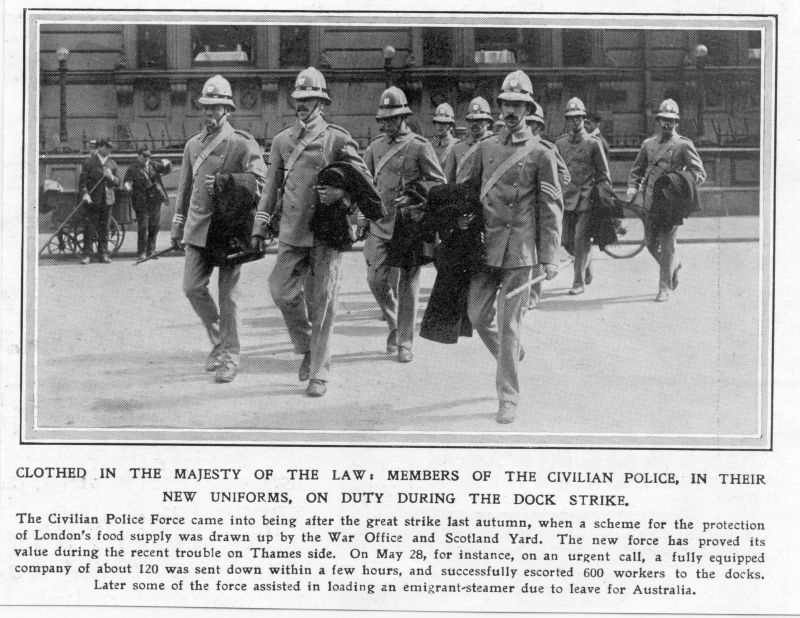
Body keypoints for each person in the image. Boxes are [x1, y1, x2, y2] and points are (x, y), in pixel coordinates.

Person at [251, 67, 373, 398]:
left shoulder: (337, 138)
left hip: (325, 233)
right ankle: (306, 346)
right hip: (291, 231)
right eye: (299, 100)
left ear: (321, 102)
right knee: (281, 291)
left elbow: (363, 183)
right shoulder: (281, 141)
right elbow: (270, 188)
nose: (302, 105)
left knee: (323, 302)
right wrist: (260, 226)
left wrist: (343, 197)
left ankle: (319, 371)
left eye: (309, 100)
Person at [460, 70, 563, 424]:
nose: (509, 110)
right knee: (476, 315)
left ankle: (508, 396)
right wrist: (459, 224)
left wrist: (549, 258)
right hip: (487, 248)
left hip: (520, 252)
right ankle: (512, 354)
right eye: (505, 103)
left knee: (509, 325)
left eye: (517, 105)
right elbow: (466, 193)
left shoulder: (541, 153)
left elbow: (551, 209)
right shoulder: (485, 148)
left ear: (527, 108)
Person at [170, 74, 267, 383]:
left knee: (229, 298)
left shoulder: (241, 142)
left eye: (216, 108)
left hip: (229, 231)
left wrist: (227, 183)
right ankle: (219, 342)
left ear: (228, 110)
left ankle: (231, 356)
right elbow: (184, 188)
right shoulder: (192, 145)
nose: (209, 113)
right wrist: (177, 224)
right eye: (206, 107)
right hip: (199, 228)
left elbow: (262, 181)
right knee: (192, 288)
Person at [363, 86, 446, 363]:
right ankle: (394, 322)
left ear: (402, 117)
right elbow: (364, 183)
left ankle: (405, 341)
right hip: (380, 223)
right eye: (382, 119)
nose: (385, 123)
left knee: (409, 282)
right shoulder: (375, 147)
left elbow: (438, 183)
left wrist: (415, 194)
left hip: (408, 224)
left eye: (391, 118)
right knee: (375, 279)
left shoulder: (419, 146)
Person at [627, 99, 706, 302]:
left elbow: (700, 173)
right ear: (658, 121)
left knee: (667, 244)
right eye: (663, 120)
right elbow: (637, 170)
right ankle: (674, 264)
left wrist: (681, 183)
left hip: (671, 203)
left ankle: (664, 288)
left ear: (677, 123)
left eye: (671, 121)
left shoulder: (683, 145)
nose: (666, 124)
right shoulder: (648, 145)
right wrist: (632, 190)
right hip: (651, 201)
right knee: (651, 244)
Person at [555, 97, 612, 295]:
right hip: (566, 198)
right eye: (571, 118)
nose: (575, 122)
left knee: (580, 239)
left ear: (584, 119)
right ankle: (587, 264)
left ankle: (578, 282)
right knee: (566, 242)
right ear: (566, 120)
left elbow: (604, 175)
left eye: (578, 118)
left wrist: (603, 195)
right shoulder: (559, 144)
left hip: (587, 198)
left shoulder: (593, 143)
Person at [525, 102, 571, 309]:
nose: (530, 127)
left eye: (535, 125)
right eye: (528, 123)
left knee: (536, 248)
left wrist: (549, 191)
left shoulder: (548, 149)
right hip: (520, 207)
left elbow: (564, 177)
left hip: (539, 207)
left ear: (540, 128)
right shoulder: (515, 147)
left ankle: (533, 293)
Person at [124, 146, 171, 260]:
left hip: (155, 200)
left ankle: (151, 251)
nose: (147, 158)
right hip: (141, 202)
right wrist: (127, 185)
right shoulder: (132, 169)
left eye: (149, 156)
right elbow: (127, 181)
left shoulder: (154, 165)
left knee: (154, 226)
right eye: (144, 156)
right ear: (138, 155)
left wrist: (167, 163)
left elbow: (167, 168)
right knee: (143, 227)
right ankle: (141, 253)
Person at [78, 138, 120, 264]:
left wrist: (111, 177)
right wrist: (85, 194)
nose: (109, 150)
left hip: (107, 201)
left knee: (105, 228)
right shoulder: (89, 163)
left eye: (110, 148)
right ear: (100, 147)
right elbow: (82, 182)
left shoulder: (112, 164)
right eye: (107, 147)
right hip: (93, 200)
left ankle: (103, 254)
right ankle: (88, 255)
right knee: (89, 227)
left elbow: (118, 182)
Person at [443, 96, 494, 184]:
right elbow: (448, 181)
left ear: (488, 122)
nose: (474, 123)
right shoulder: (457, 148)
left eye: (479, 120)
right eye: (471, 120)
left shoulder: (495, 145)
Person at [431, 102, 458, 167]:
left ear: (451, 125)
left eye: (444, 123)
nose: (440, 126)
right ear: (434, 124)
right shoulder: (428, 145)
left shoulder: (456, 146)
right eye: (438, 122)